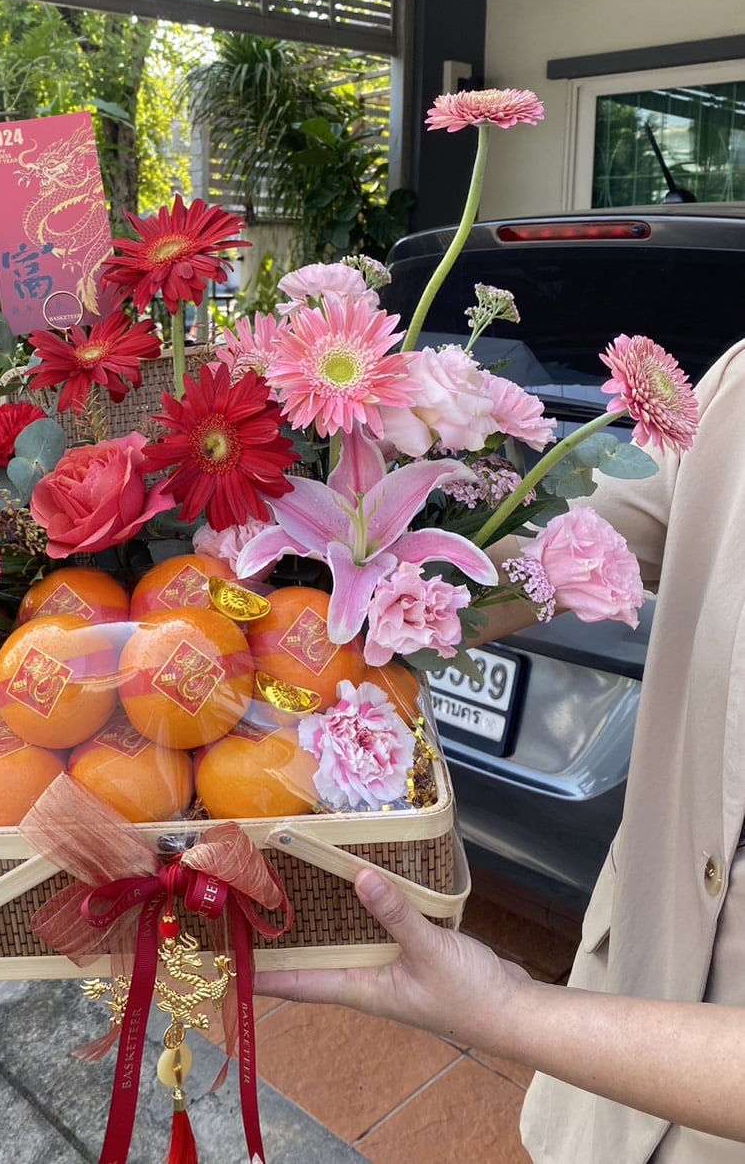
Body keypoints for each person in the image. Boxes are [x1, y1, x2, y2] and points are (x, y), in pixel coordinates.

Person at [255, 338, 745, 1160]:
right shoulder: (734, 381)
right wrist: (365, 589)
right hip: (620, 1028)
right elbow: (579, 541)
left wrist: (509, 1010)